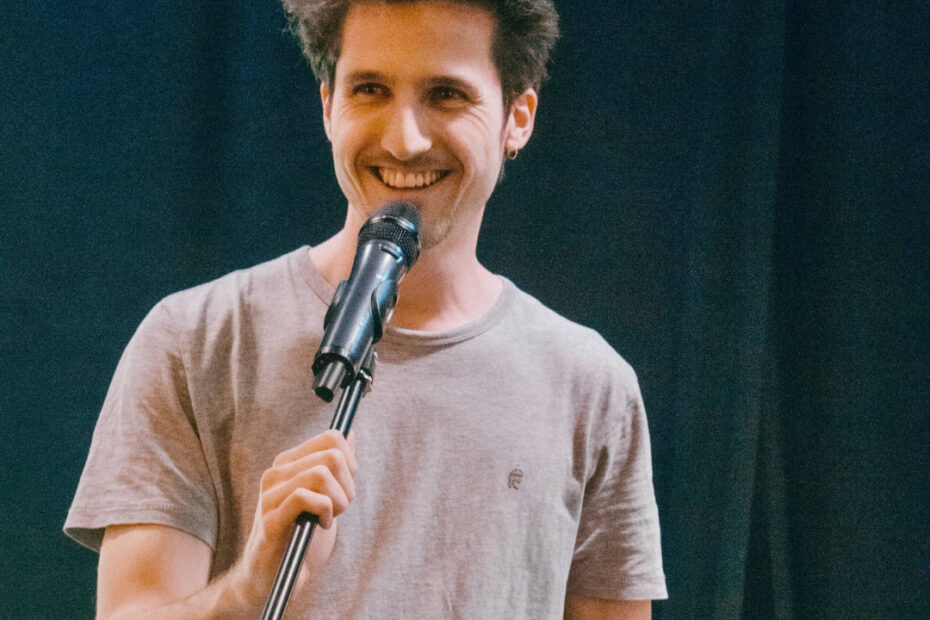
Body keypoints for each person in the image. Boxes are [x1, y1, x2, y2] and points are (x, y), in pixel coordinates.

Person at [65, 0, 668, 617]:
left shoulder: (590, 387)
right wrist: (249, 587)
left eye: (446, 95)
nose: (404, 140)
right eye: (370, 90)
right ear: (328, 106)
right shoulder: (197, 340)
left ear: (518, 118)